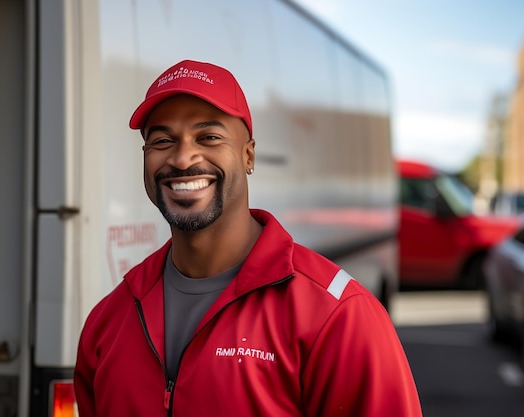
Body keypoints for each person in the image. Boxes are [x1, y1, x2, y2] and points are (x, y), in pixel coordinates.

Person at [74, 59, 423, 417]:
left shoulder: (338, 317)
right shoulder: (109, 321)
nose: (181, 158)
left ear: (248, 155)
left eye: (208, 137)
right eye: (162, 140)